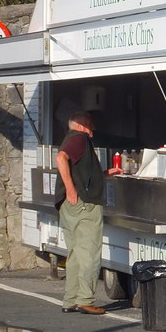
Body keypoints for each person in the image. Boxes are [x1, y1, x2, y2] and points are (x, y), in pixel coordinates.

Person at [55, 111, 121, 315]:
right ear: (83, 127)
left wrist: (104, 174)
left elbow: (79, 172)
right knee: (90, 254)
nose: (92, 134)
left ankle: (70, 300)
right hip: (84, 204)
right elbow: (61, 158)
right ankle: (85, 300)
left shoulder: (69, 138)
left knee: (75, 253)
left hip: (68, 205)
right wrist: (72, 189)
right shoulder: (79, 138)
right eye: (91, 129)